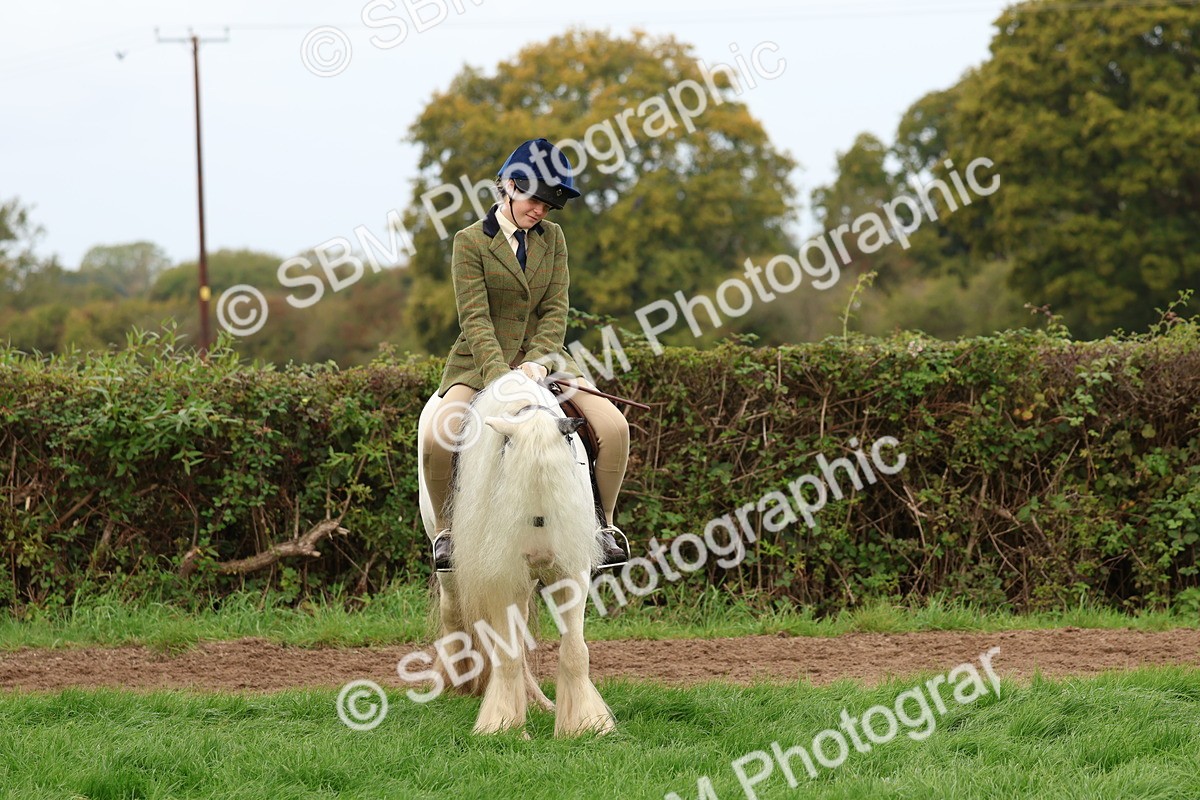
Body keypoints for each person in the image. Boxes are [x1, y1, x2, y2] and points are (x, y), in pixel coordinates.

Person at [421, 138, 631, 573]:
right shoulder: (469, 243)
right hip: (479, 363)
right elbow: (475, 319)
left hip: (545, 361)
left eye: (548, 206)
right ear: (511, 187)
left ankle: (604, 528)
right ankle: (447, 534)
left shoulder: (552, 240)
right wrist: (502, 376)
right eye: (536, 200)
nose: (540, 212)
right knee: (437, 437)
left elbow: (556, 309)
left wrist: (538, 360)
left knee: (615, 427)